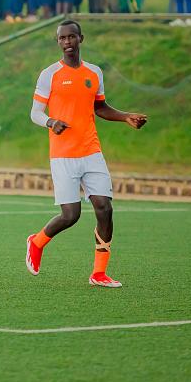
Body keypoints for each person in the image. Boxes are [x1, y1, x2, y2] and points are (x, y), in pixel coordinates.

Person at [27, 20, 148, 288]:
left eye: (72, 37)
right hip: (63, 154)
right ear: (58, 42)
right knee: (70, 215)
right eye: (62, 38)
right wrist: (51, 122)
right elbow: (35, 113)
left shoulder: (94, 72)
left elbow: (100, 107)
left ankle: (99, 273)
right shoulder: (49, 74)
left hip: (91, 151)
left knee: (105, 208)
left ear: (81, 38)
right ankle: (37, 241)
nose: (67, 42)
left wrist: (125, 117)